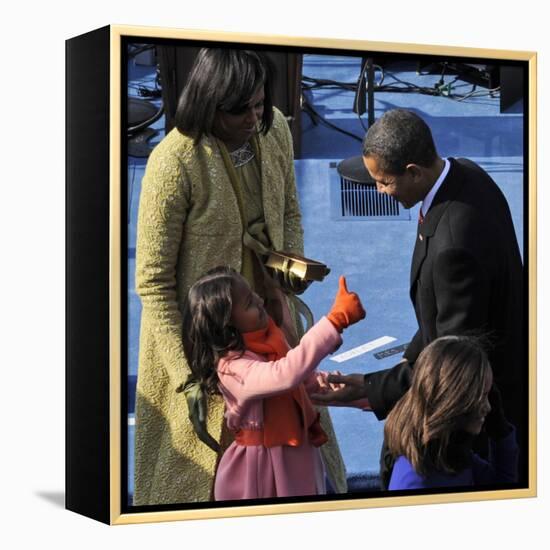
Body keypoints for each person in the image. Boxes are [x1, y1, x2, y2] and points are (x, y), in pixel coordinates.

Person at [133, 48, 347, 506]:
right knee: (205, 483)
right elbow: (153, 282)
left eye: (259, 103)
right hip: (204, 344)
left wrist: (287, 275)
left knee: (294, 449)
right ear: (211, 105)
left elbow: (289, 210)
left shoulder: (274, 132)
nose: (255, 117)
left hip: (269, 320)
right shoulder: (173, 162)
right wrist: (188, 376)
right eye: (240, 110)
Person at [312, 108, 525, 487]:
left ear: (413, 171)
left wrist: (371, 389)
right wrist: (372, 383)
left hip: (481, 421)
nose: (378, 190)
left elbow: (451, 362)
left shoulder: (453, 248)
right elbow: (436, 325)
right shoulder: (466, 176)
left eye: (383, 182)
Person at [181, 267, 367, 500]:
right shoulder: (232, 369)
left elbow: (308, 384)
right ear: (227, 327)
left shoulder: (269, 342)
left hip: (298, 457)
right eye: (249, 303)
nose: (259, 301)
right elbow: (286, 374)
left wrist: (370, 393)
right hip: (261, 473)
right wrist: (335, 321)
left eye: (253, 295)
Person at [385, 336, 518, 490]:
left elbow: (501, 488)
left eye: (489, 396)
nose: (488, 407)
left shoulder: (448, 451)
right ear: (453, 400)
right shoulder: (415, 481)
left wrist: (500, 432)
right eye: (480, 396)